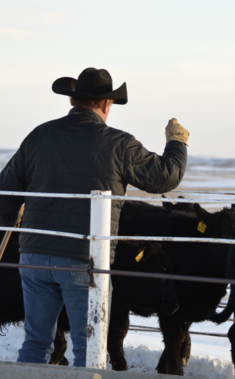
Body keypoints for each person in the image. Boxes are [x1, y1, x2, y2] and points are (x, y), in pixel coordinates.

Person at [0, 67, 189, 366]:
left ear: (74, 101)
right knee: (90, 348)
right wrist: (177, 143)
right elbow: (164, 178)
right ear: (105, 104)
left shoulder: (39, 135)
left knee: (36, 343)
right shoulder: (119, 143)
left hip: (34, 255)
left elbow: (5, 194)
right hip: (84, 259)